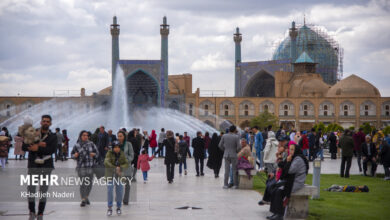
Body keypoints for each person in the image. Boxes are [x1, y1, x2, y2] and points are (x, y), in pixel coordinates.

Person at [22, 115, 57, 220]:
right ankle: (32, 212)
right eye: (44, 121)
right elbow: (24, 146)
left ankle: (40, 213)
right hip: (33, 166)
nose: (45, 123)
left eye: (47, 121)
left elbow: (51, 150)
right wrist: (35, 144)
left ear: (50, 123)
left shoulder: (53, 136)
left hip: (46, 166)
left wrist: (36, 148)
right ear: (41, 122)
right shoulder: (33, 132)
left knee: (43, 191)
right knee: (31, 190)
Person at [268, 144, 308, 220]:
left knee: (279, 191)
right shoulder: (292, 157)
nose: (290, 151)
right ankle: (275, 212)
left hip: (297, 182)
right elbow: (281, 165)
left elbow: (289, 171)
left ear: (296, 150)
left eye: (292, 149)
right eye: (290, 149)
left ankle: (280, 214)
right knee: (274, 189)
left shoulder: (298, 159)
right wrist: (281, 159)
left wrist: (288, 162)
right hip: (290, 180)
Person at [71, 130, 99, 207]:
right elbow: (72, 155)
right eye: (84, 135)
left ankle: (86, 196)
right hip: (81, 167)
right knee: (83, 183)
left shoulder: (91, 144)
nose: (85, 136)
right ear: (80, 136)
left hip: (90, 166)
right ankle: (83, 199)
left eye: (86, 135)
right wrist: (75, 155)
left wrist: (94, 154)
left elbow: (97, 153)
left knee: (89, 184)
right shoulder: (77, 145)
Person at [104, 141, 129, 216]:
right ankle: (110, 208)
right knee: (110, 190)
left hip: (119, 175)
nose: (117, 149)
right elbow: (106, 162)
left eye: (118, 147)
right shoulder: (109, 153)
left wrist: (120, 167)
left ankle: (118, 207)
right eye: (115, 147)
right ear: (113, 148)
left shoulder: (122, 153)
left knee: (120, 192)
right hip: (110, 175)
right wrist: (115, 168)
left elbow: (126, 163)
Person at [117, 130, 134, 206]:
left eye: (121, 136)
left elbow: (131, 155)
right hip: (118, 167)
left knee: (127, 184)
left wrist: (125, 161)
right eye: (118, 136)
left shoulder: (128, 144)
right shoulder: (115, 144)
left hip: (127, 166)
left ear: (124, 137)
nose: (119, 137)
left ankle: (126, 199)